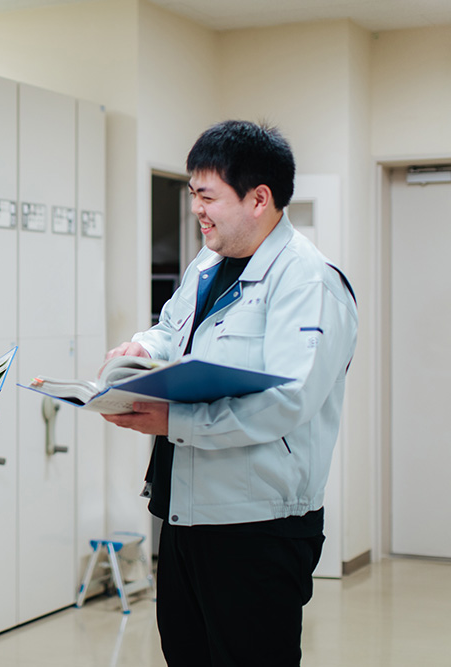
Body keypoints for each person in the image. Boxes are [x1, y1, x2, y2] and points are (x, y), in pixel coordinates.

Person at [102, 120, 357, 667]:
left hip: (257, 527)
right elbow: (173, 329)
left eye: (207, 195)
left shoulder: (308, 282)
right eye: (193, 193)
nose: (197, 208)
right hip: (186, 514)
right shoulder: (209, 262)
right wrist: (143, 348)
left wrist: (175, 423)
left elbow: (289, 399)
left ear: (258, 198)